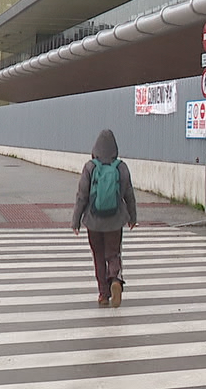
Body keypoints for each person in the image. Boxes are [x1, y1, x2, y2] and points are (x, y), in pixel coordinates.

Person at [72, 129, 138, 307]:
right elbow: (129, 194)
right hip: (115, 220)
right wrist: (132, 217)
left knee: (98, 256)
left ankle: (103, 294)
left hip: (93, 221)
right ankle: (115, 279)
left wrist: (76, 220)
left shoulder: (90, 167)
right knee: (113, 253)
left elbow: (81, 196)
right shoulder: (121, 167)